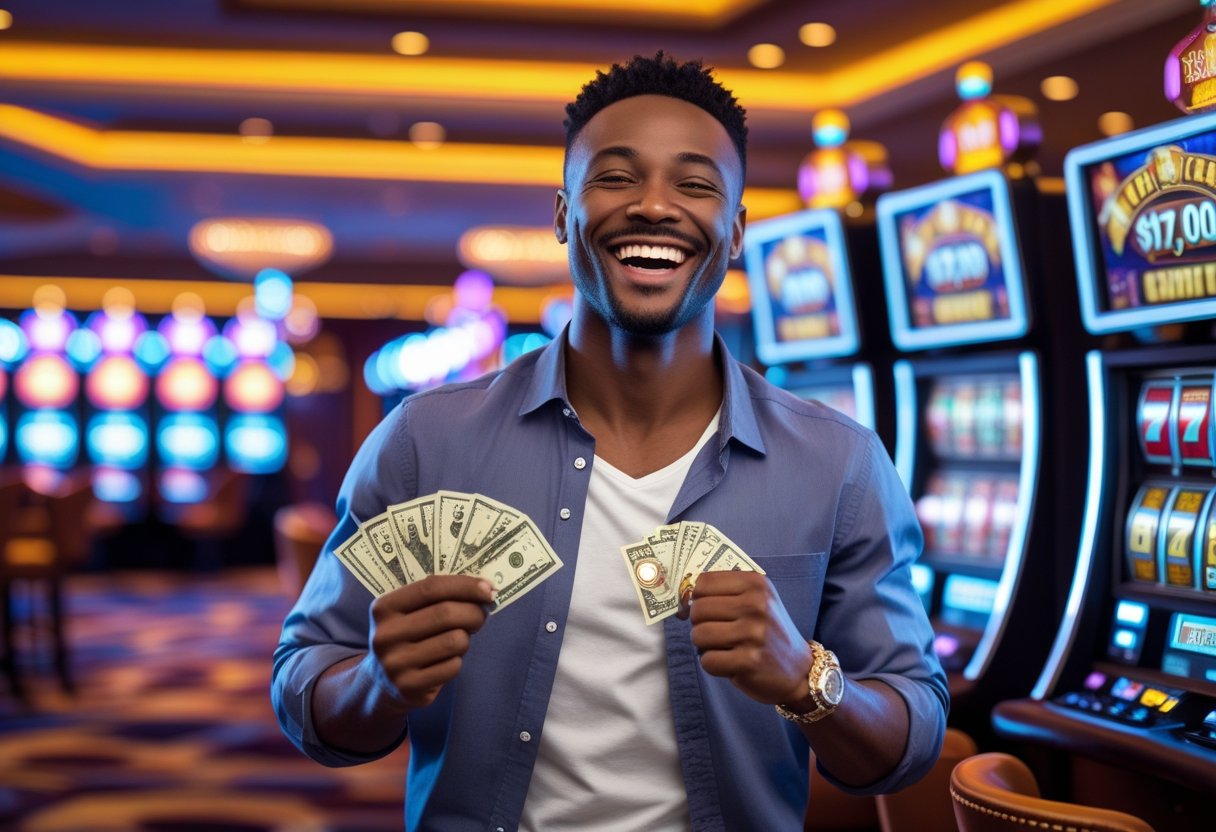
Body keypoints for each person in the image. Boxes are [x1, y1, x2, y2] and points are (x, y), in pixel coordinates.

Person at [273, 51, 948, 831]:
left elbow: (911, 739)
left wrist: (806, 678)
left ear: (734, 235)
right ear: (563, 214)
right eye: (616, 178)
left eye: (694, 184)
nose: (654, 207)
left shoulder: (839, 463)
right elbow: (304, 686)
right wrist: (376, 687)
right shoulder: (425, 440)